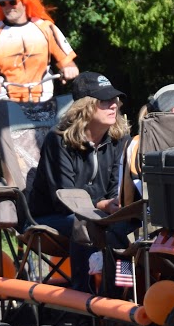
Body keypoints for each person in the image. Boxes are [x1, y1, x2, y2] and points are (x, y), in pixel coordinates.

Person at [25, 72, 137, 287]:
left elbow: (117, 187)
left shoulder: (119, 140)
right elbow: (64, 198)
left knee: (128, 223)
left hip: (99, 213)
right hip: (53, 215)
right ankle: (83, 298)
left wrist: (116, 203)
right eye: (105, 101)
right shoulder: (58, 141)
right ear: (85, 107)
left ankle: (123, 290)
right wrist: (101, 205)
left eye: (114, 100)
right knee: (84, 224)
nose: (114, 105)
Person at [0, 0, 80, 190]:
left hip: (45, 103)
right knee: (10, 153)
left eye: (14, 1)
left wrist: (68, 69)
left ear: (26, 0)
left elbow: (69, 64)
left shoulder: (46, 29)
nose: (9, 6)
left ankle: (66, 190)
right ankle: (17, 195)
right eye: (3, 2)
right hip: (9, 105)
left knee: (65, 140)